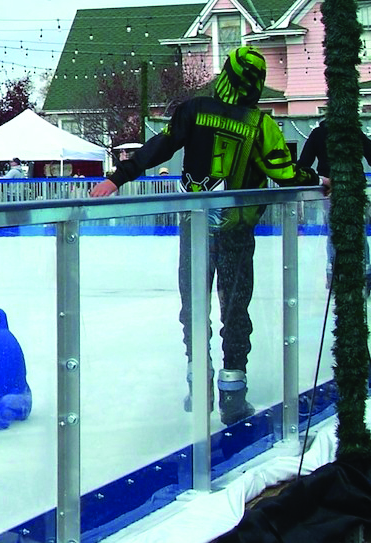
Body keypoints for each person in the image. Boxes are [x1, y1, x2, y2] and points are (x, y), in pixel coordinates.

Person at [88, 46, 326, 426]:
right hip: (236, 231)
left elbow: (159, 146)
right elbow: (284, 173)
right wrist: (317, 179)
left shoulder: (194, 110)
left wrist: (118, 177)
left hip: (195, 230)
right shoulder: (260, 125)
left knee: (194, 305)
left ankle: (199, 381)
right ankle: (234, 390)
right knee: (235, 307)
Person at [296, 119, 371, 292]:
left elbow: (302, 164)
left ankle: (334, 273)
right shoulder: (351, 132)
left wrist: (319, 179)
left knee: (334, 231)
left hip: (329, 191)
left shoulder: (319, 133)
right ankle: (363, 273)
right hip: (351, 189)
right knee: (356, 230)